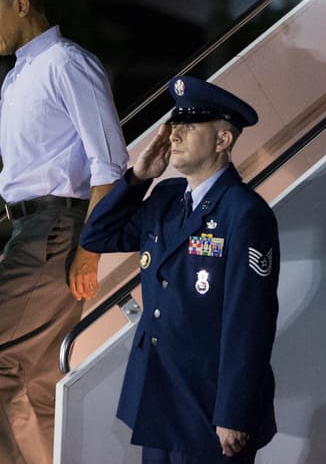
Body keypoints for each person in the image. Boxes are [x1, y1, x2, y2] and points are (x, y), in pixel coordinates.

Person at [0, 0, 129, 464]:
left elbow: (110, 164)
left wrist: (89, 252)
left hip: (54, 229)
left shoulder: (68, 63)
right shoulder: (21, 74)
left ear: (21, 5)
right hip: (35, 227)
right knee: (33, 384)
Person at [81, 76, 280, 463]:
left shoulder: (244, 212)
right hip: (159, 397)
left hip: (209, 407)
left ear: (222, 141)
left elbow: (250, 321)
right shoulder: (167, 199)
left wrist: (233, 412)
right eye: (174, 125)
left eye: (190, 127)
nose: (174, 135)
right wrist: (137, 178)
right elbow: (97, 236)